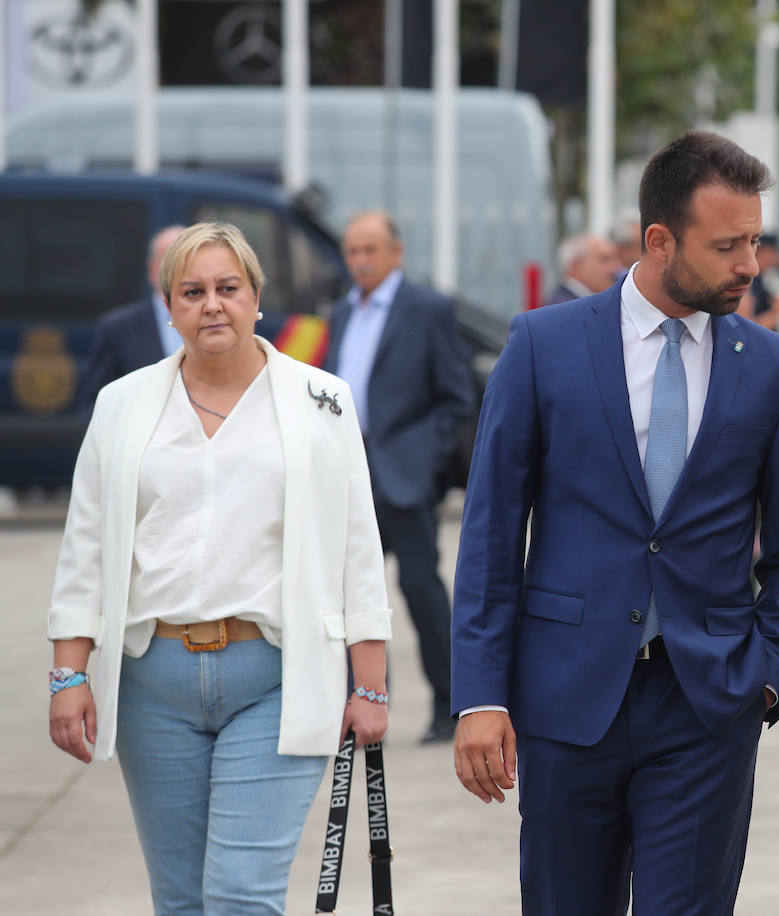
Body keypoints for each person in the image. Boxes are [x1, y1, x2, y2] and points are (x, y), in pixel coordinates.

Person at [450, 130, 779, 913]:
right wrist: (479, 695)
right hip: (564, 698)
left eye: (754, 241)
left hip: (708, 703)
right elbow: (491, 534)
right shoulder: (542, 345)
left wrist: (766, 675)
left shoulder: (775, 368)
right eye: (727, 245)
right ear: (660, 240)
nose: (750, 265)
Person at [47, 220, 391, 915]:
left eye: (229, 288)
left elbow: (357, 543)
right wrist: (69, 673)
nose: (212, 304)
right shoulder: (122, 405)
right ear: (169, 306)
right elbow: (86, 543)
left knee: (240, 896)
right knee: (180, 902)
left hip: (274, 678)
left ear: (257, 298)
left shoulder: (321, 400)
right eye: (193, 291)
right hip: (153, 684)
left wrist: (372, 686)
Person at [324, 209, 474, 744]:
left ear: (396, 252)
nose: (361, 260)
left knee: (421, 590)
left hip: (403, 476)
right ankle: (364, 705)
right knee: (350, 598)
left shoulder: (427, 309)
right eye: (353, 251)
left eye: (371, 249)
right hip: (348, 477)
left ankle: (451, 706)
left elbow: (456, 397)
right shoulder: (341, 311)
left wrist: (424, 457)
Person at [76, 225, 186, 408]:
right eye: (168, 261)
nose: (176, 270)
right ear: (151, 270)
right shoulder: (117, 328)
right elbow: (95, 403)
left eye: (184, 261)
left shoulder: (224, 320)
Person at [545, 232, 619, 306]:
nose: (614, 267)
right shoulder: (565, 308)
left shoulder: (573, 303)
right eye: (605, 259)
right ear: (576, 266)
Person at [744, 232, 779, 330]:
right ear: (765, 251)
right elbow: (745, 328)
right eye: (775, 251)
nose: (778, 256)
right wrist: (775, 313)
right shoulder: (746, 280)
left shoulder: (767, 278)